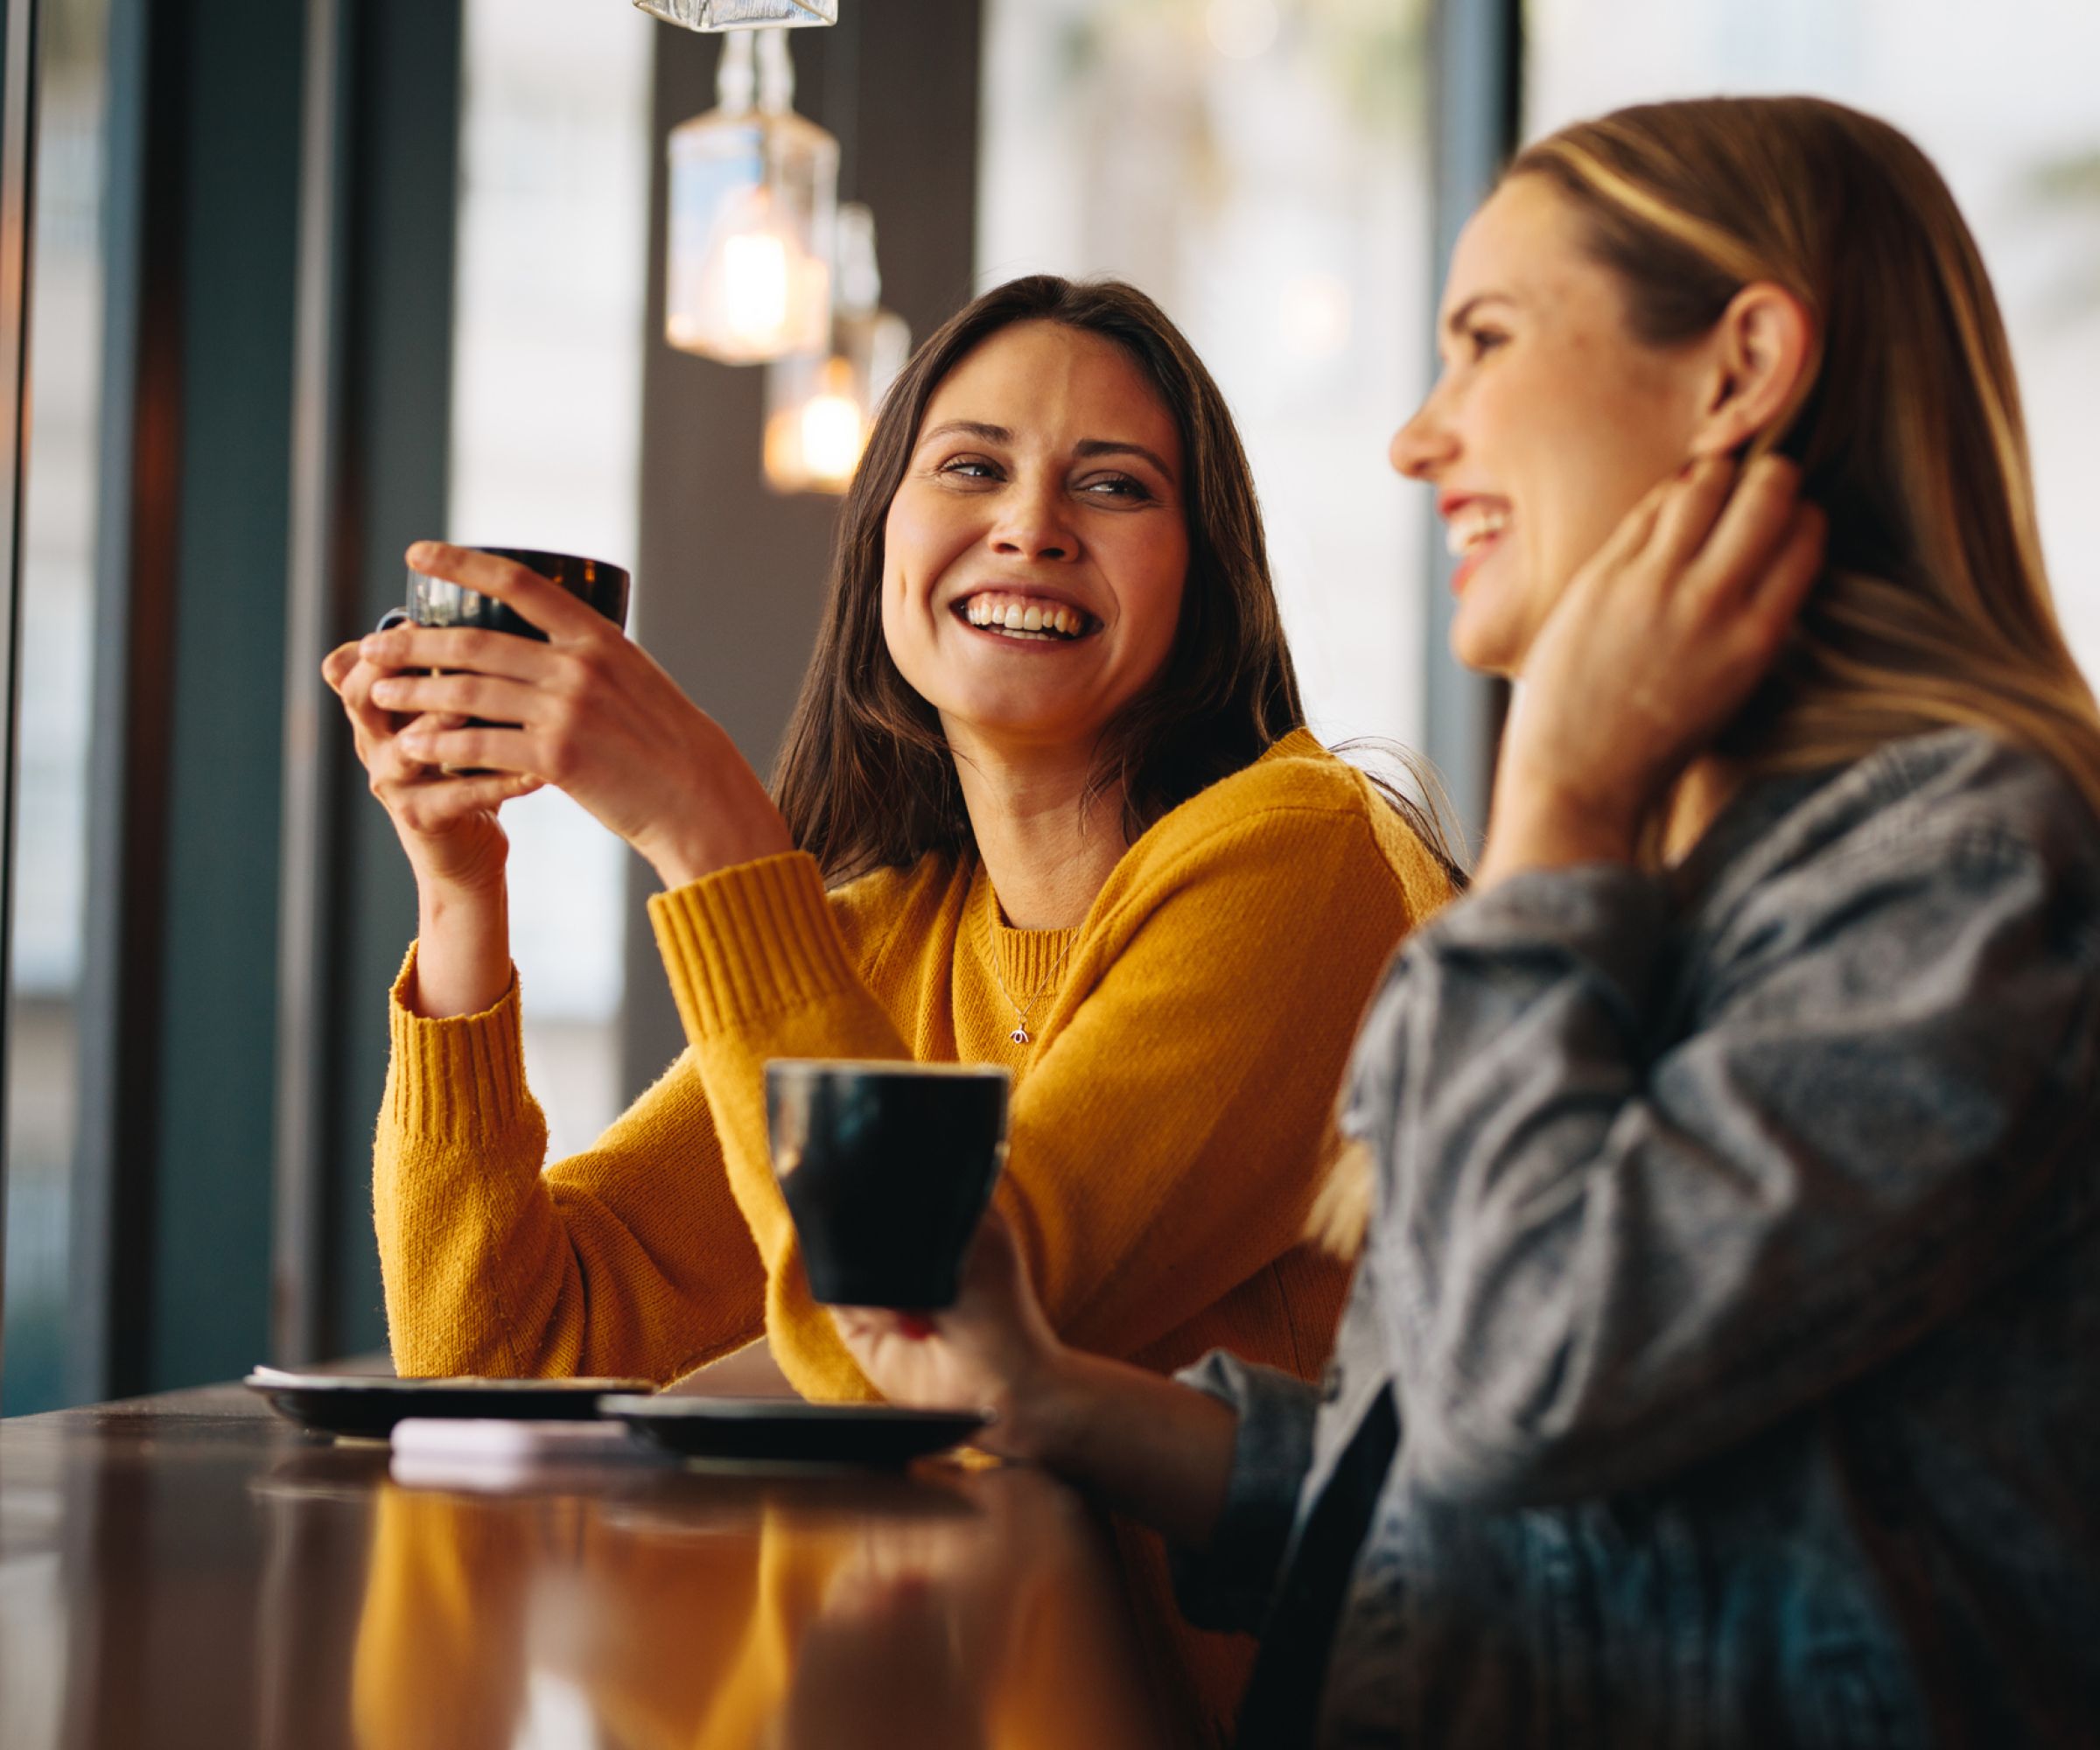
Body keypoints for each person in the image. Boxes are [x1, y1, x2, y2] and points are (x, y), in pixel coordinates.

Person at [832, 96, 2100, 1746]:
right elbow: (1478, 1516)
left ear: (1741, 370)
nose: (1418, 439)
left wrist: (1558, 803)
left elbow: (1530, 1385)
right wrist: (1054, 1401)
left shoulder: (1970, 879)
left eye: (1484, 343)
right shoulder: (1710, 876)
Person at [324, 275, 1458, 1736]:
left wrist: (711, 834)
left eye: (1113, 486)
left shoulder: (1297, 857)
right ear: (883, 550)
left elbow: (927, 1362)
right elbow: (502, 1353)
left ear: (1208, 577)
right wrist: (460, 886)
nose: (1032, 524)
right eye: (973, 466)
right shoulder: (884, 943)